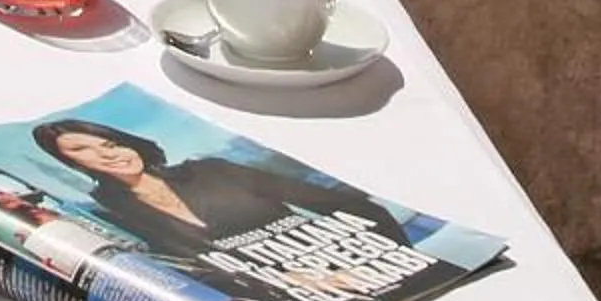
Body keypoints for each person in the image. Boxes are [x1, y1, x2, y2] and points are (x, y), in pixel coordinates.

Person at [33, 117, 370, 246]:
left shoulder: (211, 170)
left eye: (109, 143)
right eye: (82, 150)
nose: (108, 154)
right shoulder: (110, 215)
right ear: (71, 163)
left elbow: (347, 204)